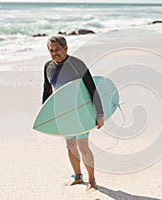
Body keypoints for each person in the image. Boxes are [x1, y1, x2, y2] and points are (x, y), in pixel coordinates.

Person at [42, 35, 104, 190]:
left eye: (57, 49)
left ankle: (92, 180)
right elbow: (47, 90)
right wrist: (45, 115)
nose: (54, 53)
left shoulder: (77, 64)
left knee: (83, 145)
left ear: (66, 48)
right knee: (70, 145)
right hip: (64, 113)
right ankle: (77, 176)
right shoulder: (48, 66)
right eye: (51, 50)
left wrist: (100, 114)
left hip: (81, 111)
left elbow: (92, 89)